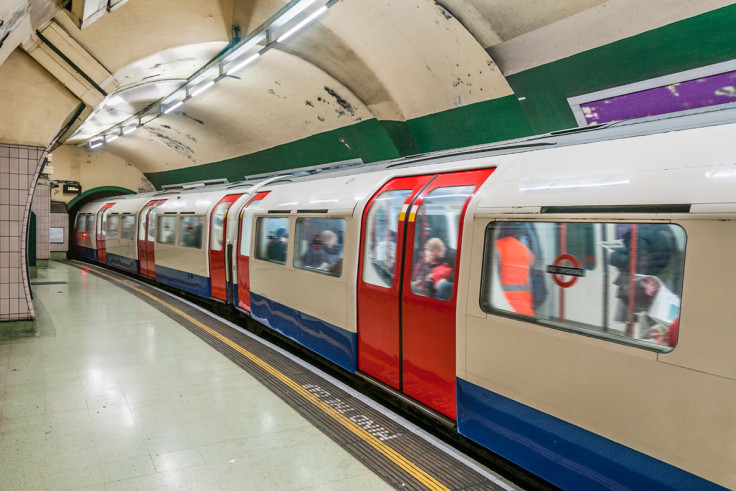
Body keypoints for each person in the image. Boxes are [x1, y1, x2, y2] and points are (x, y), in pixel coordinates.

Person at [495, 223, 535, 316]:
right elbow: (529, 281)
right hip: (524, 307)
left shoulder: (495, 247)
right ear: (517, 233)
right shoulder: (527, 251)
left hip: (502, 304)